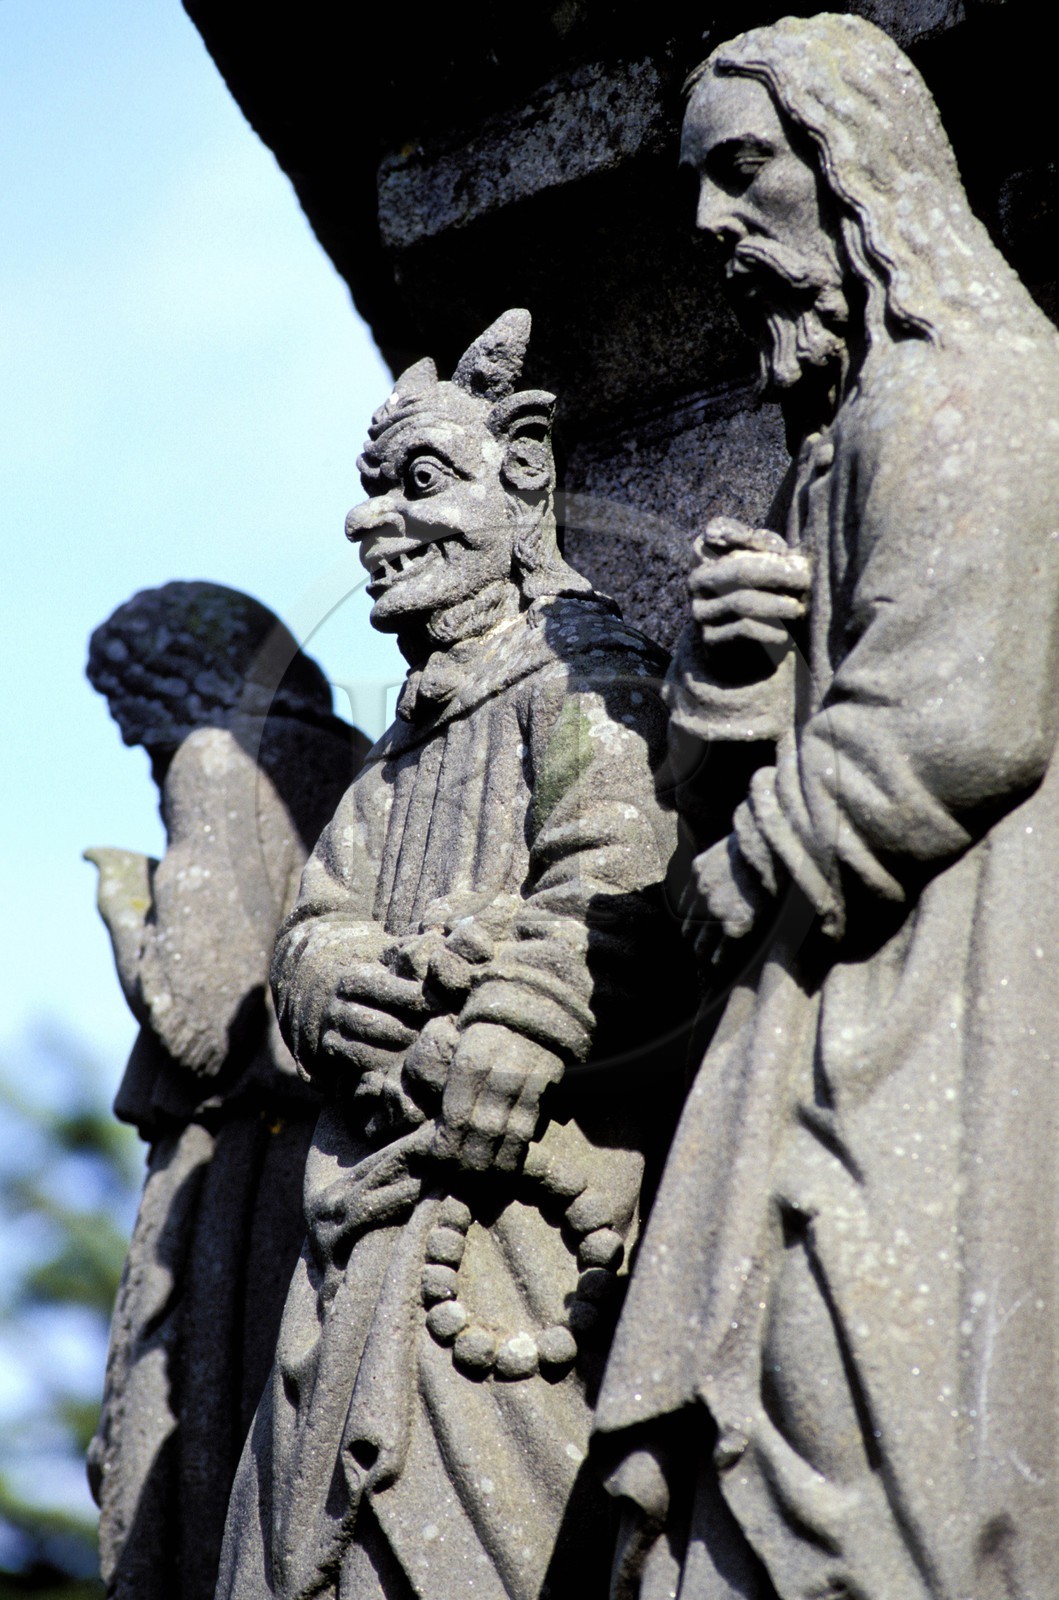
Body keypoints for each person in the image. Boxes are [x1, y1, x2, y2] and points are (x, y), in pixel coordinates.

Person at [594, 15, 1059, 1599]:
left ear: (851, 172)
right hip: (824, 980)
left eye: (741, 174)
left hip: (934, 974)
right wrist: (732, 683)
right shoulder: (832, 441)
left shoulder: (961, 390)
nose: (712, 230)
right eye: (696, 193)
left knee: (873, 1401)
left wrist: (756, 860)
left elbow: (962, 722)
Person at [217, 311, 693, 1600]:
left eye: (417, 482)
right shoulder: (403, 748)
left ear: (521, 477)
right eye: (369, 493)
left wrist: (516, 1018)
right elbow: (313, 930)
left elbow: (626, 877)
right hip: (363, 1215)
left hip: (515, 1212)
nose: (372, 523)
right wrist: (336, 991)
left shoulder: (584, 678)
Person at [84, 582, 364, 1600]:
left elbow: (202, 1020)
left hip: (231, 1170)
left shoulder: (213, 758)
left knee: (187, 1469)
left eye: (126, 705)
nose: (129, 737)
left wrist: (127, 902)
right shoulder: (350, 751)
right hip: (314, 1151)